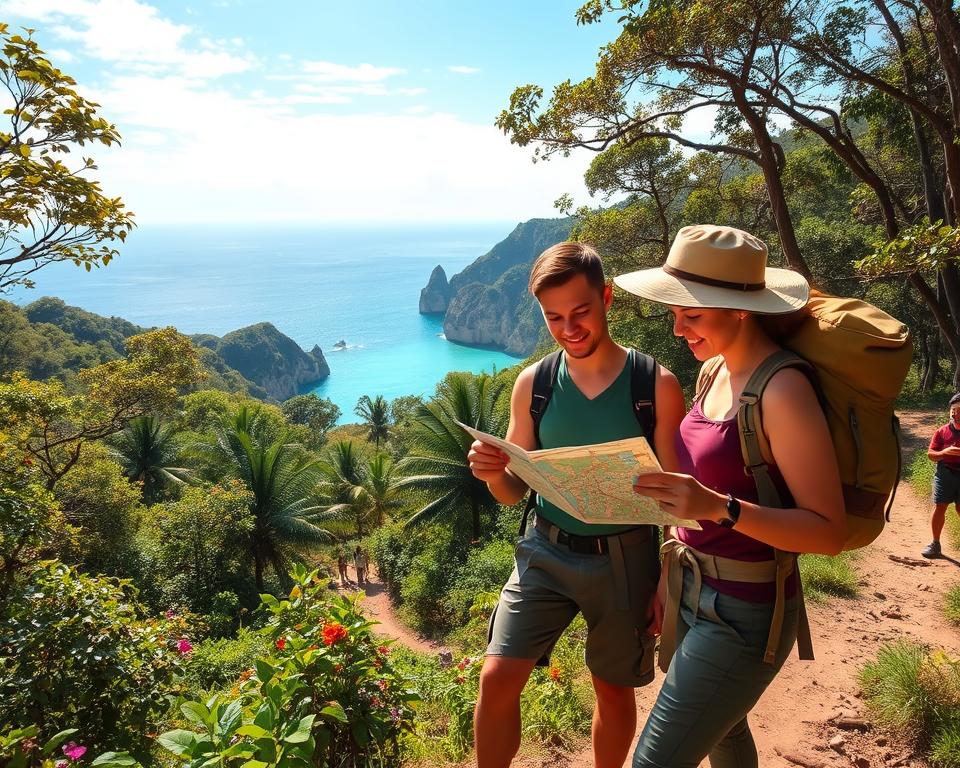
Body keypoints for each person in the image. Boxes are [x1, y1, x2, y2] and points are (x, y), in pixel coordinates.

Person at [616, 224, 845, 768]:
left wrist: (719, 508)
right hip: (693, 590)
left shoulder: (783, 390)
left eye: (691, 315)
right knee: (724, 734)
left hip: (746, 611)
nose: (677, 329)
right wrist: (669, 582)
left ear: (738, 310)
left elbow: (828, 532)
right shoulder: (713, 369)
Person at [467, 241, 686, 768]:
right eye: (554, 317)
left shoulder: (653, 385)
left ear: (607, 298)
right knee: (496, 678)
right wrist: (494, 473)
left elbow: (677, 493)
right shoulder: (535, 384)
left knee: (612, 689)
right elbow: (513, 491)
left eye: (581, 312)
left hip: (626, 557)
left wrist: (665, 576)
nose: (569, 328)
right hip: (545, 548)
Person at [921, 393, 960, 558]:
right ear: (950, 412)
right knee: (940, 507)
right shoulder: (941, 432)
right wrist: (944, 452)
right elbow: (931, 454)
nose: (957, 414)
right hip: (944, 473)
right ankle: (935, 544)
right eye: (955, 410)